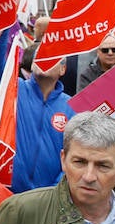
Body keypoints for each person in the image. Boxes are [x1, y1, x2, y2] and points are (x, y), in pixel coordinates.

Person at [11, 56, 76, 192]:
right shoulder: (15, 89)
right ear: (32, 65)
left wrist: (54, 190)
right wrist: (0, 34)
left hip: (49, 199)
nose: (45, 60)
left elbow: (74, 155)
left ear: (63, 69)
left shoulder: (72, 108)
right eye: (40, 56)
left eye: (51, 58)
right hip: (8, 192)